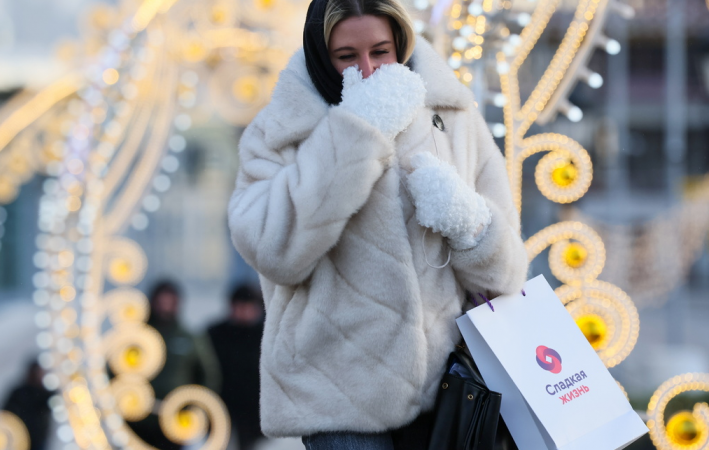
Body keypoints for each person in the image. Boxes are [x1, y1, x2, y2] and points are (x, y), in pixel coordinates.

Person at [226, 0, 530, 448]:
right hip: (333, 391)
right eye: (347, 56)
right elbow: (275, 254)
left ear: (402, 44)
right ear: (320, 53)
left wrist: (467, 221)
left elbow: (506, 276)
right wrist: (355, 135)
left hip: (447, 385)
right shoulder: (277, 132)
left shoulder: (455, 117)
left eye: (381, 51)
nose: (367, 70)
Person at [127, 280, 222, 450]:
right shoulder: (136, 336)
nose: (165, 306)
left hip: (174, 419)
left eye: (169, 301)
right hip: (138, 418)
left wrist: (194, 407)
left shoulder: (189, 337)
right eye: (161, 301)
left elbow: (208, 375)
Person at [207, 284, 266, 450]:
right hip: (221, 403)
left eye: (249, 306)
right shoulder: (216, 333)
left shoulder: (264, 334)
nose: (245, 311)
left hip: (253, 408)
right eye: (241, 306)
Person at [1, 360, 53, 450]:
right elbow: (5, 413)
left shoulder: (44, 394)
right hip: (21, 439)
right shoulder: (20, 392)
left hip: (38, 440)